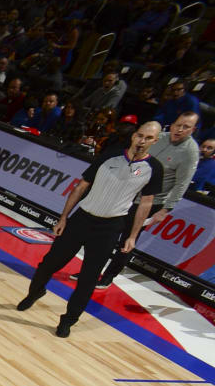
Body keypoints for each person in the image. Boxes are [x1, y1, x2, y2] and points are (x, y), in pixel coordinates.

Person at [17, 121, 162, 338]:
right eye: (140, 135)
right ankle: (35, 292)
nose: (142, 141)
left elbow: (146, 204)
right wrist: (64, 218)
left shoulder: (154, 169)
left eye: (148, 138)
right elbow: (81, 186)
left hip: (110, 227)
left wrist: (133, 236)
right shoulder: (110, 156)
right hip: (82, 219)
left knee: (88, 279)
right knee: (48, 264)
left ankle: (68, 320)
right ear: (133, 136)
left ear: (155, 141)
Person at [81, 110, 200, 291]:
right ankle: (89, 272)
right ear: (172, 123)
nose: (180, 129)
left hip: (151, 201)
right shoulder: (158, 138)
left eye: (186, 127)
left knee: (128, 240)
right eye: (178, 125)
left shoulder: (191, 152)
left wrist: (166, 209)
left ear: (193, 130)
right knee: (105, 234)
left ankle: (108, 276)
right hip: (128, 193)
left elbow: (181, 184)